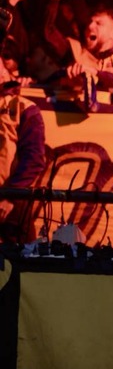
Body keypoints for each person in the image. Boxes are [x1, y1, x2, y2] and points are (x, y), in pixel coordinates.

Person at [0, 29, 46, 243]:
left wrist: (11, 196)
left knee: (20, 269)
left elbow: (34, 159)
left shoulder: (25, 109)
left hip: (9, 209)